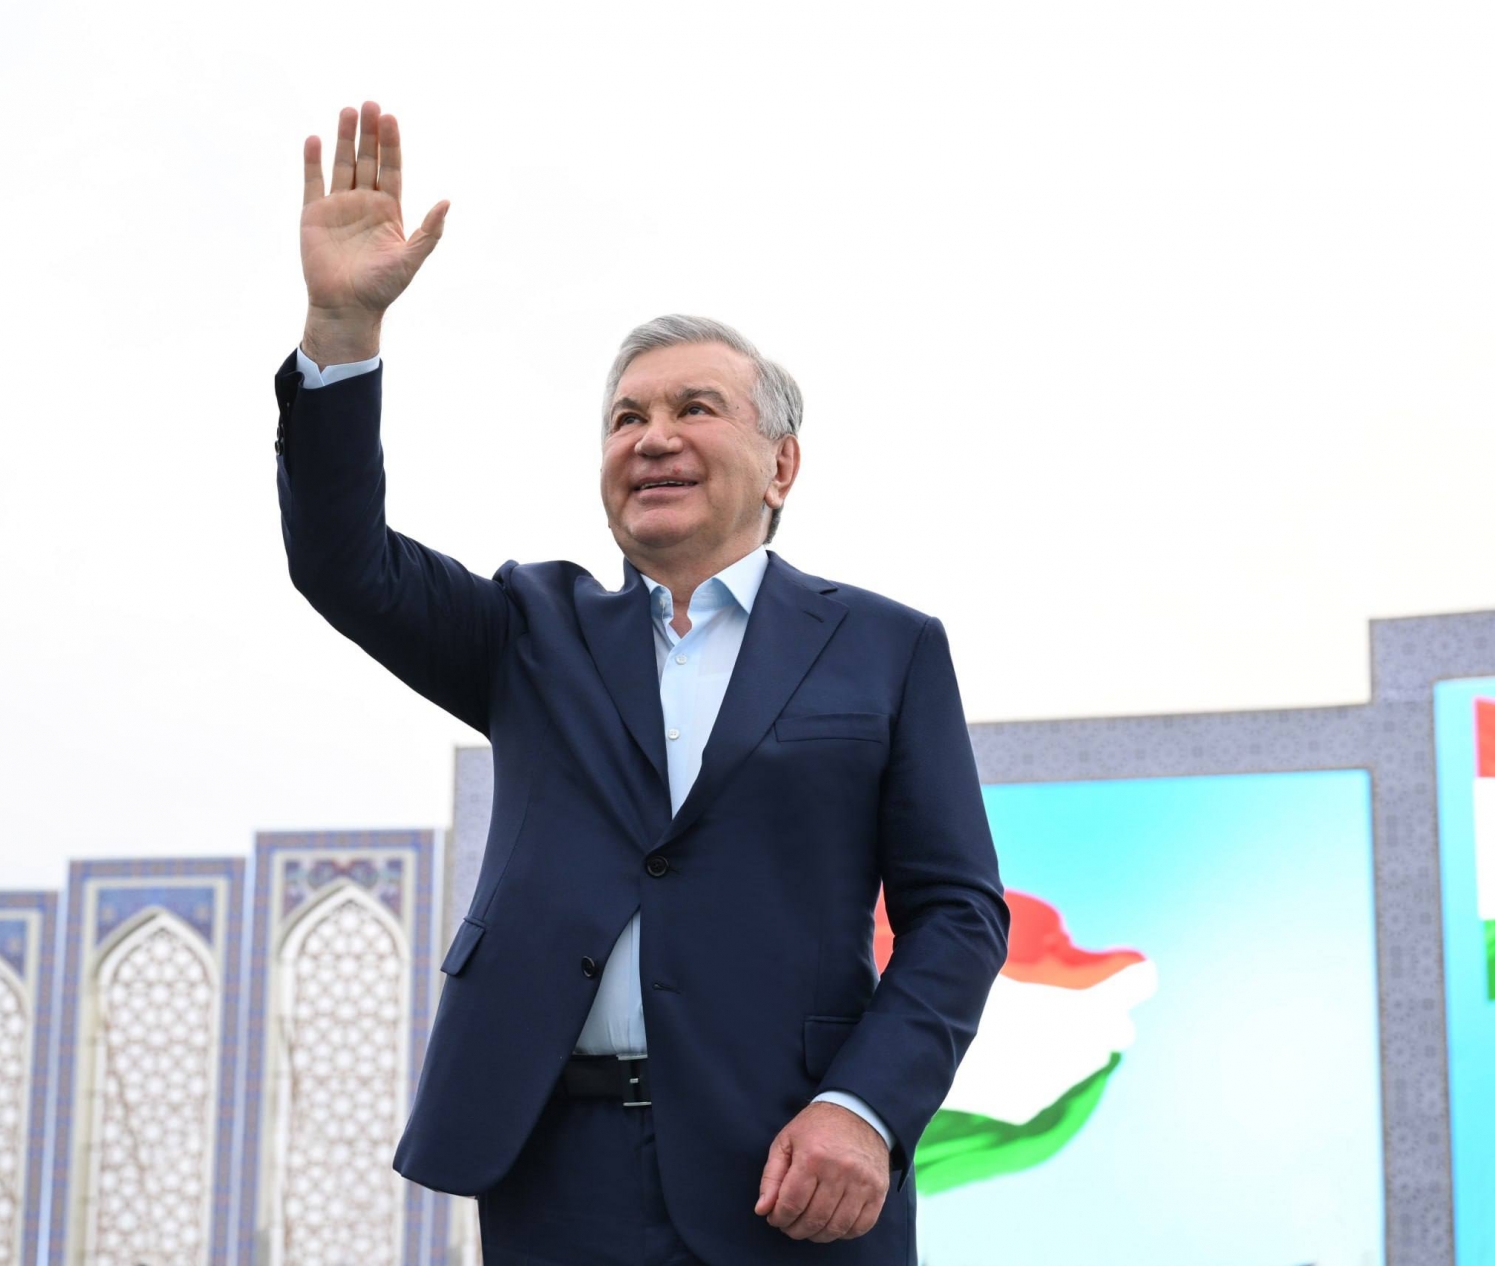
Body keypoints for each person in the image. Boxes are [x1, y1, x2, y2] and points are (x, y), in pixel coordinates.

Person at [275, 100, 1009, 1265]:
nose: (650, 437)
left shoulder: (886, 648)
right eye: (626, 418)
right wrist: (341, 331)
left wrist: (864, 1108)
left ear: (781, 464)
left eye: (691, 409)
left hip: (792, 1169)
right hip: (556, 1174)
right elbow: (341, 562)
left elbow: (958, 914)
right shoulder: (531, 631)